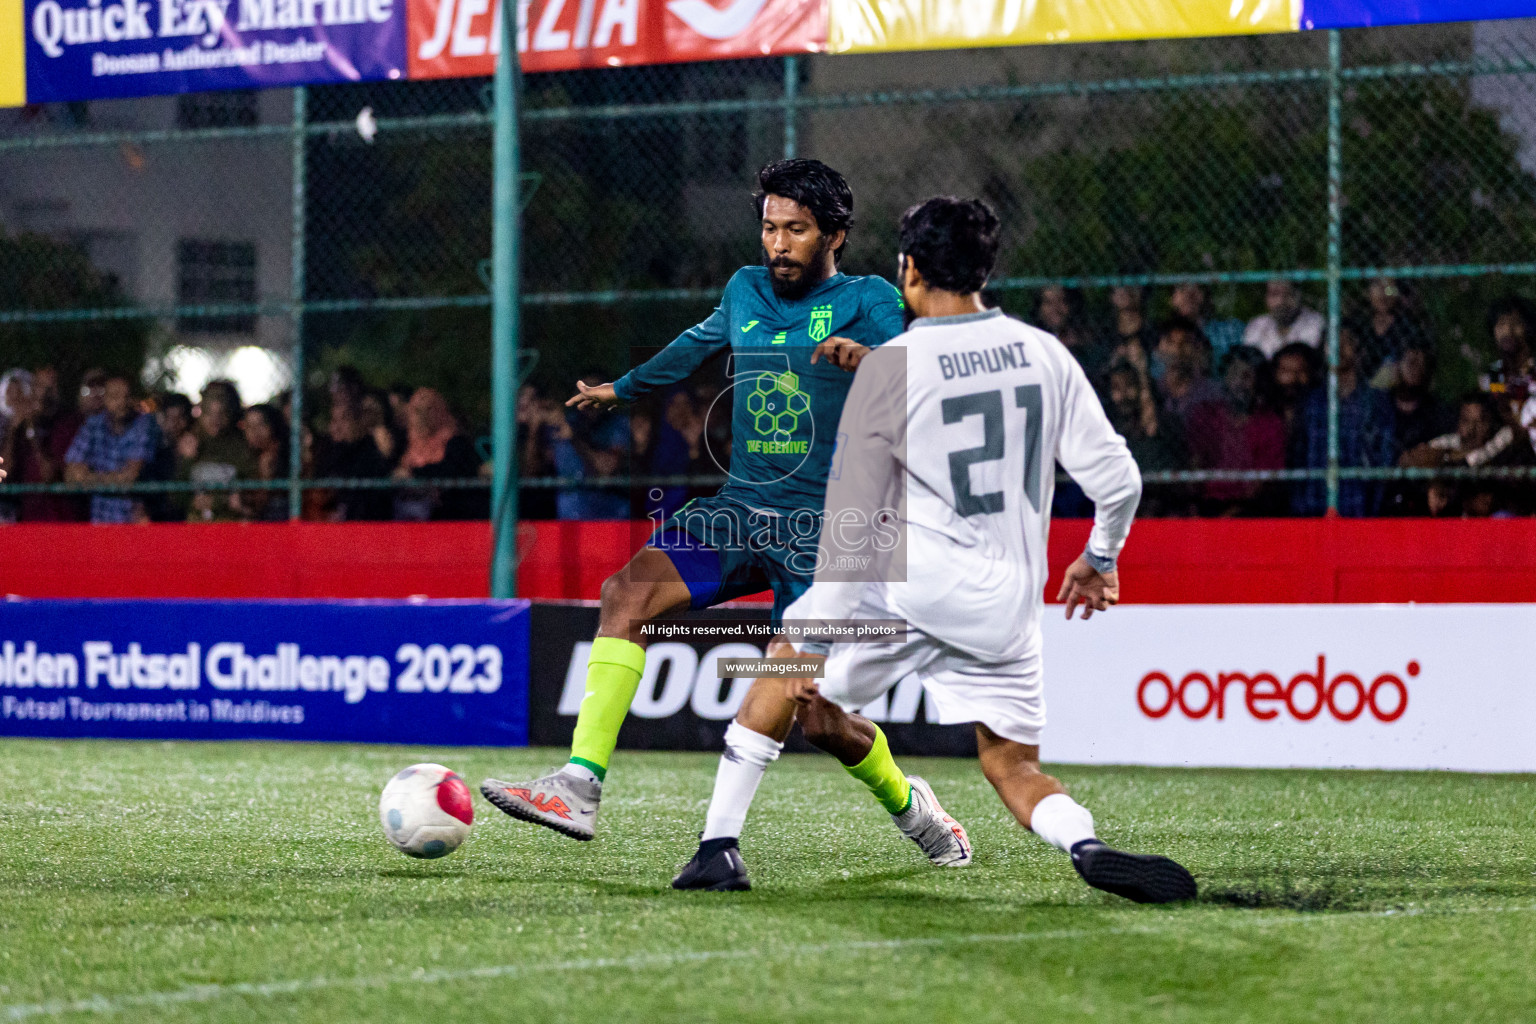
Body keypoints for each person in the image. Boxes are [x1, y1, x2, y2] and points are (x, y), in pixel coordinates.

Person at [685, 196, 1196, 902]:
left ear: (910, 269)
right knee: (1013, 766)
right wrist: (1100, 560)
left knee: (785, 662)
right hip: (1007, 608)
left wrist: (809, 636)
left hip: (910, 586)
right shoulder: (1044, 354)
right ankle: (1085, 843)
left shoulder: (890, 366)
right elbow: (1119, 480)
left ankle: (718, 847)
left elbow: (852, 527)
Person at [481, 160, 968, 875]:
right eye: (770, 227)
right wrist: (624, 387)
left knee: (818, 719)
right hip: (740, 510)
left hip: (831, 536)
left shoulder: (870, 299)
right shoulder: (744, 288)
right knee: (627, 593)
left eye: (796, 230)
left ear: (834, 235)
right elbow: (694, 343)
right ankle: (580, 786)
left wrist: (867, 359)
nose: (778, 243)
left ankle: (911, 806)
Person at [1293, 326, 1395, 516]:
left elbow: (1384, 458)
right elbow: (1300, 456)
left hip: (1361, 507)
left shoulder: (1375, 402)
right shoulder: (1311, 402)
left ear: (1359, 350)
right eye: (1331, 341)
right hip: (1315, 506)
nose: (1337, 346)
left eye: (1346, 341)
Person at [1184, 347, 1286, 516]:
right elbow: (1195, 464)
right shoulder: (1206, 415)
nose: (1240, 382)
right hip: (1207, 503)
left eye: (1248, 376)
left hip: (1250, 508)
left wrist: (1231, 516)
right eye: (1235, 374)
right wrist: (1194, 508)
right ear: (1224, 378)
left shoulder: (1270, 423)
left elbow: (1262, 483)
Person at [64, 375, 160, 524]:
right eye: (115, 396)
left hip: (132, 525)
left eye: (126, 397)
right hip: (100, 522)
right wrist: (114, 479)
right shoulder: (92, 425)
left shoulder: (144, 425)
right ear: (104, 399)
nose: (122, 403)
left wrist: (89, 479)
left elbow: (129, 478)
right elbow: (70, 475)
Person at [392, 387, 486, 520]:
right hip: (406, 519)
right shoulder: (403, 443)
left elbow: (451, 470)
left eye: (429, 410)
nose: (422, 417)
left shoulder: (456, 442)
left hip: (450, 518)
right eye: (417, 411)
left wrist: (414, 473)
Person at [10, 367, 85, 522]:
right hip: (28, 520)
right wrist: (14, 428)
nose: (43, 394)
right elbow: (4, 471)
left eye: (50, 388)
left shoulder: (70, 425)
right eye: (38, 386)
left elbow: (48, 474)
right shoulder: (21, 426)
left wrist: (31, 430)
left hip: (60, 520)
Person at [185, 380, 255, 522]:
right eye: (209, 413)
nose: (215, 420)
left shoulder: (242, 446)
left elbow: (249, 495)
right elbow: (175, 496)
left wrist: (217, 501)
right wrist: (186, 459)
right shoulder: (189, 443)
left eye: (222, 413)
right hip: (196, 529)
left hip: (231, 527)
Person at [232, 404, 290, 521]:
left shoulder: (287, 455)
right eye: (249, 426)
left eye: (261, 424)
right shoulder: (243, 457)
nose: (255, 432)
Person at [1243, 279, 1324, 360]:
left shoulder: (1314, 323)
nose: (1281, 301)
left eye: (1289, 294)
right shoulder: (1256, 325)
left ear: (1299, 295)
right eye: (1274, 294)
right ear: (1266, 297)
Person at [1169, 282, 1245, 367]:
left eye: (1197, 287)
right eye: (1181, 287)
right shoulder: (1163, 335)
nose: (1188, 294)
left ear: (1206, 295)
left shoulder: (1232, 329)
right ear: (1172, 298)